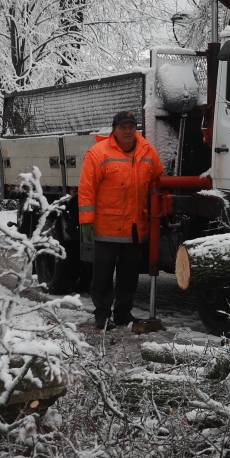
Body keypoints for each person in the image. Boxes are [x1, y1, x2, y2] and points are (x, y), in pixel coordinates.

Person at [77, 110, 162, 331]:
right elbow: (87, 189)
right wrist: (86, 220)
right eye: (123, 127)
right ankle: (102, 315)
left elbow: (156, 181)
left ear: (136, 129)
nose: (128, 131)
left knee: (129, 275)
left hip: (134, 227)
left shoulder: (148, 151)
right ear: (114, 130)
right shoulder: (98, 153)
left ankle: (123, 313)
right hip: (107, 227)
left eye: (131, 127)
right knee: (103, 275)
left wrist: (156, 209)